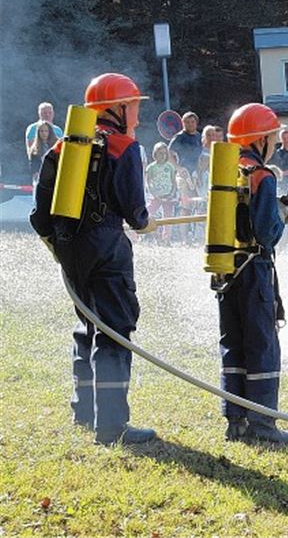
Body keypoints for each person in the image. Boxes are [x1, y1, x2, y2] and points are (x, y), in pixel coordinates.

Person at [29, 73, 157, 445]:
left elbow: (39, 214)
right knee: (115, 329)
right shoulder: (124, 147)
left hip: (71, 248)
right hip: (107, 248)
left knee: (86, 326)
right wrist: (144, 221)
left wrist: (61, 245)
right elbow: (136, 214)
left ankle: (84, 411)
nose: (136, 114)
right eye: (133, 106)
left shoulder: (63, 147)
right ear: (117, 108)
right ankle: (112, 425)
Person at [219, 102, 288, 443]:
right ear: (261, 140)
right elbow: (267, 233)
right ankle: (265, 426)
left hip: (226, 270)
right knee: (262, 345)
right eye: (271, 136)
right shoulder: (263, 175)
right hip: (253, 270)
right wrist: (282, 216)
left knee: (233, 344)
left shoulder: (225, 169)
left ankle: (235, 422)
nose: (273, 141)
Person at [145, 142, 178, 243]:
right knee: (148, 214)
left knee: (167, 218)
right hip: (155, 196)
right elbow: (148, 182)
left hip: (168, 196)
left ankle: (166, 239)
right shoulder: (150, 168)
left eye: (164, 153)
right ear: (155, 154)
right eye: (160, 153)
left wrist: (172, 193)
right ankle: (152, 236)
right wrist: (154, 194)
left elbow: (173, 181)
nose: (162, 156)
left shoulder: (170, 167)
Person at [269, 128, 288, 193]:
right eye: (284, 138)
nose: (286, 140)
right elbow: (275, 171)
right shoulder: (276, 155)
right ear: (280, 139)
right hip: (282, 188)